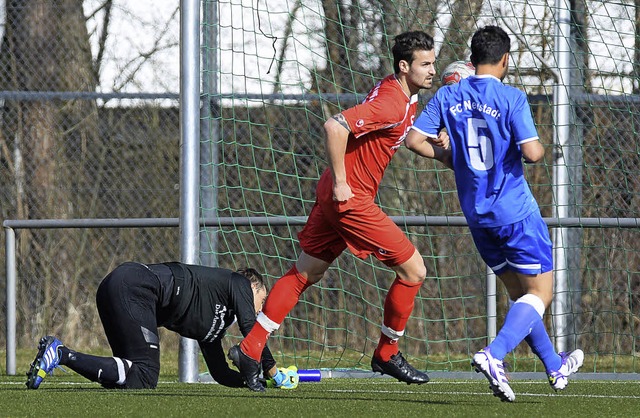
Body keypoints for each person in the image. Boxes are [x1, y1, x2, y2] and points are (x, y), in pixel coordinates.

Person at [227, 30, 442, 392]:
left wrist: (438, 143)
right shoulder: (391, 101)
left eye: (434, 62)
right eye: (425, 64)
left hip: (334, 192)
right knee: (414, 270)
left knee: (306, 271)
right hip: (349, 197)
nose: (432, 70)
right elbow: (334, 125)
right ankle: (387, 353)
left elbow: (401, 135)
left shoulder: (401, 95)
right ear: (404, 67)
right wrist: (343, 182)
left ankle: (250, 350)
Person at [404, 25, 583, 402]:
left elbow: (414, 140)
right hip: (515, 213)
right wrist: (528, 146)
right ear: (505, 60)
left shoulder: (447, 95)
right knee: (542, 293)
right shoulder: (512, 97)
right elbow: (533, 153)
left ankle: (554, 364)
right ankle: (494, 354)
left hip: (477, 216)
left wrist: (451, 158)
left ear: (471, 59)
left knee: (522, 297)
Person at [25, 261, 299, 390]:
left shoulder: (214, 326)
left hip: (118, 289)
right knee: (146, 374)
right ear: (253, 286)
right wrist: (274, 372)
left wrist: (254, 380)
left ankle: (60, 354)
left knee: (132, 379)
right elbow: (253, 326)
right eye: (262, 299)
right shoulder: (238, 282)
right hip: (133, 285)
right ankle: (60, 353)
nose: (262, 308)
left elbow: (220, 373)